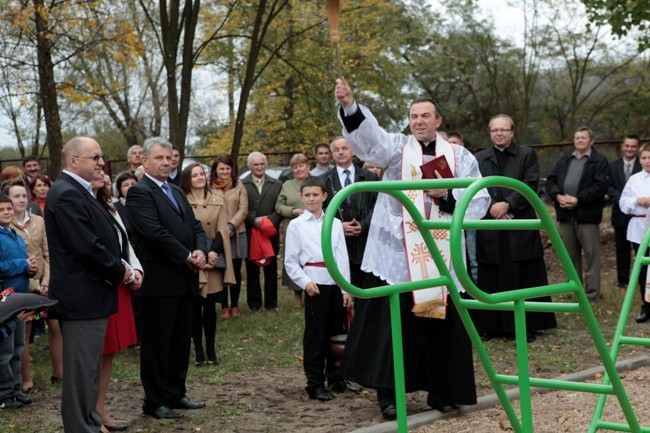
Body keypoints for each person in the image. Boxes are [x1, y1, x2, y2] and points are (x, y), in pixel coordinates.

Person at [334, 77, 490, 420]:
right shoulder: (397, 149)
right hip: (396, 254)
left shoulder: (460, 156)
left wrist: (448, 196)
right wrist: (349, 104)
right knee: (392, 326)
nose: (418, 121)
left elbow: (481, 197)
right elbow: (369, 142)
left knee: (442, 326)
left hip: (441, 254)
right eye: (413, 116)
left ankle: (443, 391)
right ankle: (389, 396)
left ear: (438, 121)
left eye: (425, 116)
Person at [45, 137, 130, 433]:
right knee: (80, 372)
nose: (100, 162)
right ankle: (81, 427)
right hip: (81, 296)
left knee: (89, 368)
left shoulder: (79, 192)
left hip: (92, 294)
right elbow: (87, 246)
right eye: (94, 157)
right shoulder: (66, 193)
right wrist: (120, 272)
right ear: (73, 161)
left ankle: (90, 422)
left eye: (101, 156)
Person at [126, 137, 207, 420]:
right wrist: (186, 255)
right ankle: (155, 399)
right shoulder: (139, 192)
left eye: (169, 157)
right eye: (159, 158)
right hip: (159, 281)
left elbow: (194, 225)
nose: (165, 162)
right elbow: (153, 232)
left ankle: (176, 392)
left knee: (180, 340)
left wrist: (199, 249)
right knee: (158, 343)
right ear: (144, 161)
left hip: (185, 278)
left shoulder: (175, 190)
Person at [473, 114, 556, 341]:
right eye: (494, 130)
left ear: (512, 132)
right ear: (489, 133)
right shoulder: (480, 158)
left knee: (523, 273)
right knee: (491, 275)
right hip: (490, 222)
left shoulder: (527, 155)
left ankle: (526, 325)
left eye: (503, 129)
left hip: (518, 222)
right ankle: (492, 325)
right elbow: (474, 188)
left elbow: (530, 184)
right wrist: (493, 208)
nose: (499, 134)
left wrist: (508, 204)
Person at [284, 176, 357, 402]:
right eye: (307, 195)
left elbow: (342, 257)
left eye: (316, 194)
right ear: (302, 197)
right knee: (316, 336)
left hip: (335, 282)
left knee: (337, 332)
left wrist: (346, 289)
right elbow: (290, 261)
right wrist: (305, 282)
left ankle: (336, 377)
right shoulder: (296, 226)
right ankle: (314, 383)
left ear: (325, 196)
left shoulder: (334, 223)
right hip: (315, 284)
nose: (312, 198)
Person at [93, 173, 143, 432]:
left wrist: (136, 270)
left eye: (105, 174)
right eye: (97, 171)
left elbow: (125, 243)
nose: (102, 176)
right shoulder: (84, 206)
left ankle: (100, 411)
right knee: (96, 352)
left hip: (119, 284)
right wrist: (123, 269)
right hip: (100, 285)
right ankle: (91, 415)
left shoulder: (110, 206)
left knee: (109, 352)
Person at [3, 181, 59, 394]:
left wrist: (45, 281)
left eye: (24, 196)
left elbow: (47, 253)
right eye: (15, 197)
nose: (21, 200)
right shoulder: (7, 228)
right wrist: (32, 281)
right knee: (20, 337)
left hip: (44, 283)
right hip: (22, 289)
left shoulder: (37, 221)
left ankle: (58, 373)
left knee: (55, 328)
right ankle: (23, 381)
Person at [545, 126, 610, 300]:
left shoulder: (599, 161)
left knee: (591, 255)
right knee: (570, 255)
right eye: (577, 138)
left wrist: (578, 199)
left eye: (583, 137)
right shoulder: (564, 161)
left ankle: (592, 294)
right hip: (566, 215)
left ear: (592, 141)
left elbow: (600, 187)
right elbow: (550, 181)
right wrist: (558, 196)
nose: (579, 140)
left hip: (587, 216)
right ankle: (573, 289)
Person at [181, 163, 235, 365]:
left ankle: (211, 350)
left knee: (210, 307)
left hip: (213, 260)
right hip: (194, 260)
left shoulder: (217, 199)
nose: (199, 177)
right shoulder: (181, 201)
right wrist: (201, 254)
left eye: (201, 174)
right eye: (194, 175)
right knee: (195, 308)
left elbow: (222, 228)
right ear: (188, 179)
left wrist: (213, 252)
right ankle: (198, 352)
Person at [321, 137, 377, 288]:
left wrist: (364, 225)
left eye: (344, 148)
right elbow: (320, 209)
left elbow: (378, 206)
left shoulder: (370, 177)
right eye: (336, 150)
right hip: (337, 241)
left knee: (364, 289)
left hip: (365, 241)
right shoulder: (323, 180)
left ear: (353, 151)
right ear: (332, 154)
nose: (341, 152)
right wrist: (338, 225)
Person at [0, 193, 37, 410]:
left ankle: (14, 389)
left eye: (8, 208)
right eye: (1, 209)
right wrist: (22, 265)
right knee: (4, 350)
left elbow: (26, 264)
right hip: (5, 301)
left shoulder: (14, 234)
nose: (6, 212)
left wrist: (32, 269)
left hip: (19, 301)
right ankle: (4, 394)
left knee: (17, 347)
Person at [241, 152, 283, 312]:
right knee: (252, 270)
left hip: (270, 232)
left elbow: (280, 207)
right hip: (251, 232)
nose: (259, 167)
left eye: (261, 164)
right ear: (249, 166)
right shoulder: (242, 184)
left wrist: (269, 221)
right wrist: (254, 220)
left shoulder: (277, 184)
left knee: (271, 269)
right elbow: (242, 208)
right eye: (255, 164)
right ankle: (254, 303)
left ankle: (272, 303)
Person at [210, 155, 248, 320]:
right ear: (215, 170)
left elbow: (244, 209)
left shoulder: (239, 186)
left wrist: (231, 225)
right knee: (222, 269)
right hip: (218, 236)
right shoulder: (209, 187)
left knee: (236, 270)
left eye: (227, 168)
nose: (225, 172)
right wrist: (221, 229)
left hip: (236, 234)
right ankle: (224, 305)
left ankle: (235, 305)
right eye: (221, 168)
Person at [276, 153, 312, 308]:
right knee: (295, 260)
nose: (298, 169)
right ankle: (298, 300)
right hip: (293, 228)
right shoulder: (287, 185)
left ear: (308, 166)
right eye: (295, 167)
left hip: (313, 228)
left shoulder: (316, 181)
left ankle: (313, 294)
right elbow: (279, 206)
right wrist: (293, 211)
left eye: (301, 165)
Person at [619, 143, 650, 323]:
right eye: (644, 158)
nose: (647, 161)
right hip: (639, 228)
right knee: (643, 268)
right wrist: (637, 200)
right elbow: (624, 202)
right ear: (640, 160)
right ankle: (646, 306)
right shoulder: (635, 179)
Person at [608, 135, 642, 290]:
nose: (629, 149)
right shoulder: (613, 166)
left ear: (637, 148)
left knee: (640, 249)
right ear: (622, 146)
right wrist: (623, 201)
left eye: (633, 146)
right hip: (620, 213)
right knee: (621, 249)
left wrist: (634, 202)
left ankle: (641, 279)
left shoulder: (643, 167)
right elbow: (608, 187)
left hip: (640, 214)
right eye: (627, 146)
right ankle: (623, 281)